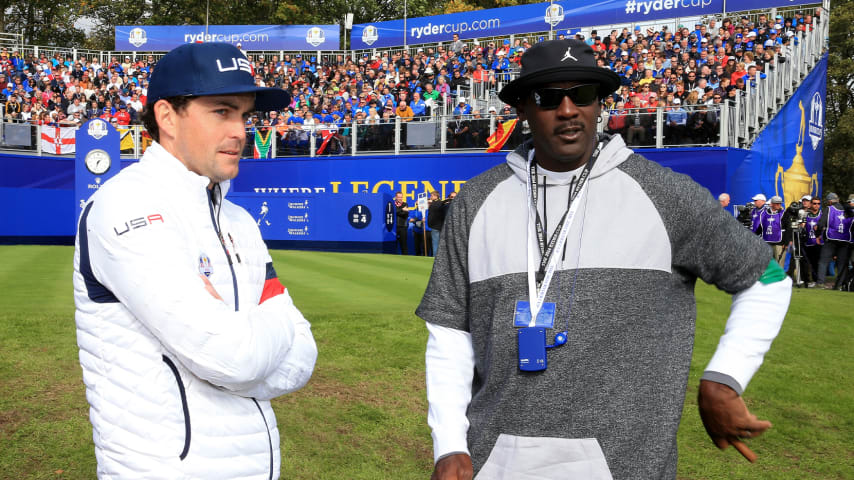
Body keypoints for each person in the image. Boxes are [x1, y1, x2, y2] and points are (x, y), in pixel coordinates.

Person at [417, 39, 790, 480]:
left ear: (601, 103)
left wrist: (724, 376)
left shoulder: (665, 194)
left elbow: (766, 277)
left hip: (629, 468)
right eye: (548, 97)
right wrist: (449, 444)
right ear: (522, 108)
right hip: (493, 465)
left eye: (585, 94)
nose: (569, 109)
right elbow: (449, 330)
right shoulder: (475, 202)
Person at [72, 43, 318, 479]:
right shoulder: (126, 204)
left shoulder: (238, 219)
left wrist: (245, 350)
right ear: (167, 117)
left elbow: (303, 356)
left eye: (244, 115)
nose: (240, 130)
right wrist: (271, 320)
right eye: (222, 111)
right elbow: (235, 358)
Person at [816, 193, 852, 289]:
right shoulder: (849, 210)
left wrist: (818, 235)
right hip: (845, 240)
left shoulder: (829, 209)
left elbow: (820, 224)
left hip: (831, 239)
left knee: (823, 261)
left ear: (830, 201)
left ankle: (820, 283)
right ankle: (839, 285)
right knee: (841, 264)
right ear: (838, 200)